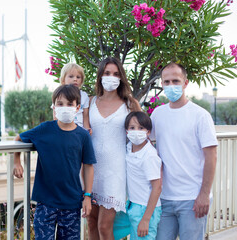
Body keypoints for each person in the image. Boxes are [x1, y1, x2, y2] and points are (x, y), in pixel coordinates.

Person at [13, 84, 96, 240]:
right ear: (54, 107)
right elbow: (19, 138)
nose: (65, 107)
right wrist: (16, 161)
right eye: (60, 103)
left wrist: (87, 196)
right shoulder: (44, 130)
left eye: (69, 104)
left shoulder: (83, 136)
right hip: (46, 203)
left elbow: (88, 166)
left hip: (72, 203)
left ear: (77, 107)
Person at [150, 62, 218, 240]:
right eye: (167, 82)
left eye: (176, 81)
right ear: (162, 84)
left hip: (192, 199)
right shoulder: (157, 114)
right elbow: (146, 147)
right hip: (164, 198)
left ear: (185, 83)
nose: (171, 86)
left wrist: (204, 194)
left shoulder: (200, 115)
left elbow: (211, 156)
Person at [87, 57, 141, 240]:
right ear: (100, 75)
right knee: (92, 222)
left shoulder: (130, 104)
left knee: (104, 226)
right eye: (107, 73)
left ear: (121, 78)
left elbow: (143, 133)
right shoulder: (90, 102)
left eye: (116, 74)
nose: (111, 77)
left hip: (115, 172)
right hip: (90, 170)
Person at [124, 111, 162, 240]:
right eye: (132, 128)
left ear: (148, 132)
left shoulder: (149, 156)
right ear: (126, 131)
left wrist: (146, 219)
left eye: (141, 128)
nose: (136, 131)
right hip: (132, 204)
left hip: (146, 209)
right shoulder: (129, 148)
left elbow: (157, 187)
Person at [53, 63, 92, 134]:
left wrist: (87, 130)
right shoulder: (59, 94)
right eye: (71, 76)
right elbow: (55, 117)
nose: (75, 79)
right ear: (63, 79)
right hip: (63, 130)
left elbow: (85, 117)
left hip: (79, 132)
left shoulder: (84, 96)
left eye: (78, 77)